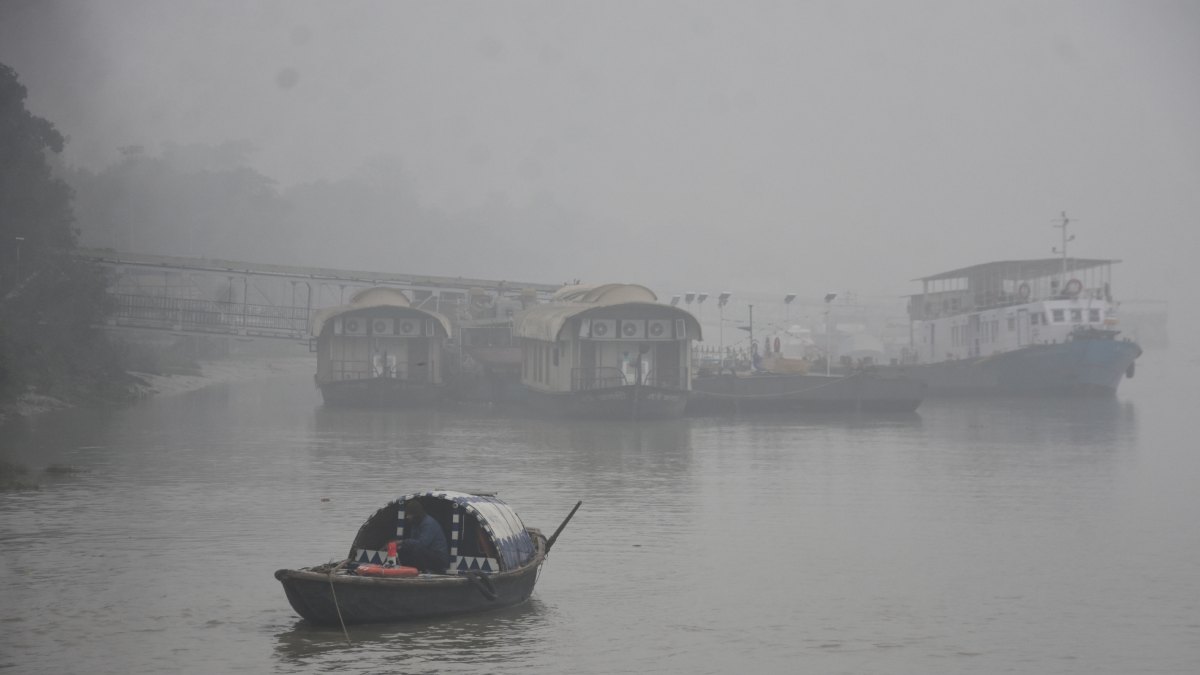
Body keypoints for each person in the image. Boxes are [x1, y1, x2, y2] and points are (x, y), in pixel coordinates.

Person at [393, 499, 449, 573]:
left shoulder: (428, 524)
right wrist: (399, 546)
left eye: (409, 514)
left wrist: (402, 542)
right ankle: (403, 568)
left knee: (417, 549)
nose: (407, 517)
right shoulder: (415, 524)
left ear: (415, 514)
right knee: (403, 549)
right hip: (427, 555)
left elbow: (422, 544)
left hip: (439, 560)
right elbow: (412, 543)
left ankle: (423, 571)